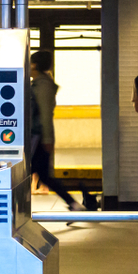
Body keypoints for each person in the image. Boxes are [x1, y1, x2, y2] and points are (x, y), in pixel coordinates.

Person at [29, 50, 86, 212]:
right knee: (43, 175)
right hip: (37, 137)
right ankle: (74, 204)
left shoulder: (43, 85)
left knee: (31, 173)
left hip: (38, 138)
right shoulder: (39, 84)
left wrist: (47, 139)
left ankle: (74, 204)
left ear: (35, 65)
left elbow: (45, 114)